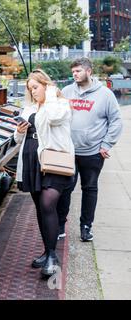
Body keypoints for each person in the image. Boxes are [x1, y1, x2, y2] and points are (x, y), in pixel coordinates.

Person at [15, 69, 74, 277]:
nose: (33, 92)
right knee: (41, 208)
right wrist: (19, 131)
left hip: (54, 160)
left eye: (36, 87)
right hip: (32, 161)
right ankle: (48, 252)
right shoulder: (30, 107)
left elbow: (55, 119)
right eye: (30, 89)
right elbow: (17, 139)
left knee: (49, 203)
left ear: (46, 85)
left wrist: (49, 95)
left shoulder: (59, 104)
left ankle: (52, 256)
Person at [57, 58, 123, 242]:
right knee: (64, 189)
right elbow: (56, 116)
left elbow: (116, 121)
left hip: (93, 152)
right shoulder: (67, 92)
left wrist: (107, 144)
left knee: (90, 189)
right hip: (68, 151)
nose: (75, 74)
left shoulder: (105, 94)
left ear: (89, 71)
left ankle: (86, 227)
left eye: (78, 71)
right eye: (73, 72)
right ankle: (60, 225)